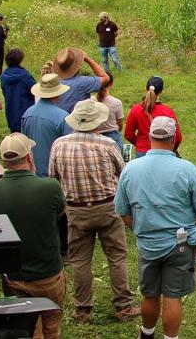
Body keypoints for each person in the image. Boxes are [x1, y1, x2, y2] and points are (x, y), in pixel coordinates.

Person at [115, 116, 196, 339]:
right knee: (173, 296)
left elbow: (122, 211)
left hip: (148, 244)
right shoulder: (187, 169)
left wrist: (139, 228)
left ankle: (147, 333)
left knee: (150, 294)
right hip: (180, 243)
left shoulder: (131, 169)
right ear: (174, 138)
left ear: (149, 136)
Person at [48, 99, 140, 324]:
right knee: (117, 257)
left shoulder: (59, 145)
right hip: (107, 208)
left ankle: (83, 310)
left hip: (76, 209)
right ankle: (123, 306)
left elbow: (53, 178)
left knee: (80, 260)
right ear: (97, 122)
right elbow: (123, 174)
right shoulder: (107, 144)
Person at [0, 133, 66, 339]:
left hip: (14, 277)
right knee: (51, 326)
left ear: (4, 161)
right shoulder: (50, 187)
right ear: (29, 157)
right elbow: (60, 213)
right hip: (48, 274)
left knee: (26, 328)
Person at [21, 74, 72, 177]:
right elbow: (68, 151)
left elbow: (24, 144)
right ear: (58, 93)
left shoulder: (27, 113)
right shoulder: (63, 117)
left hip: (31, 174)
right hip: (53, 176)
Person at [124, 76, 182, 157]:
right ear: (161, 91)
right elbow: (178, 138)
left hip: (142, 152)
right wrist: (171, 149)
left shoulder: (135, 109)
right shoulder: (167, 111)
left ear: (146, 88)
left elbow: (128, 134)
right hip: (163, 152)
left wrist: (140, 144)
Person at [46, 47, 110, 113]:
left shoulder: (53, 81)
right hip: (78, 118)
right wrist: (88, 59)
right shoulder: (83, 82)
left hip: (58, 117)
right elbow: (105, 78)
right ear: (76, 66)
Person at [0, 48, 36, 132]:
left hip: (11, 113)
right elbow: (35, 93)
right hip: (26, 114)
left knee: (15, 138)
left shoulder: (4, 76)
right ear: (20, 60)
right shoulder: (26, 76)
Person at [95, 75, 127, 153]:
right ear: (111, 84)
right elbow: (120, 126)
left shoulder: (90, 100)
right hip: (113, 138)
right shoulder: (116, 102)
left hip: (95, 137)